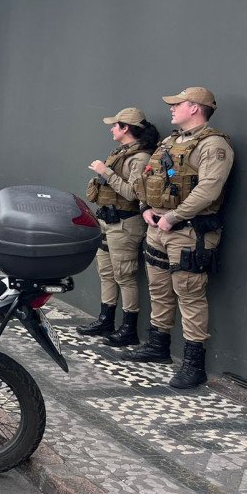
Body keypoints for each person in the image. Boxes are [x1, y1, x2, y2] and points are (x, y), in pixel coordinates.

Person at [122, 87, 233, 389]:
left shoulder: (213, 145)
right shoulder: (170, 141)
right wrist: (146, 208)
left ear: (195, 108)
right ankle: (158, 345)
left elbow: (209, 188)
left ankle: (193, 364)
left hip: (189, 231)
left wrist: (172, 217)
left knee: (189, 294)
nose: (171, 108)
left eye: (177, 104)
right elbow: (148, 177)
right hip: (157, 226)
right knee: (159, 288)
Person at [78, 108, 159, 346]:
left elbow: (133, 194)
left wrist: (107, 172)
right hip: (107, 219)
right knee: (106, 272)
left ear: (126, 128)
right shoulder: (122, 152)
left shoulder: (141, 157)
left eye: (115, 125)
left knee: (125, 276)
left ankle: (128, 328)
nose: (111, 128)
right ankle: (106, 320)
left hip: (125, 223)